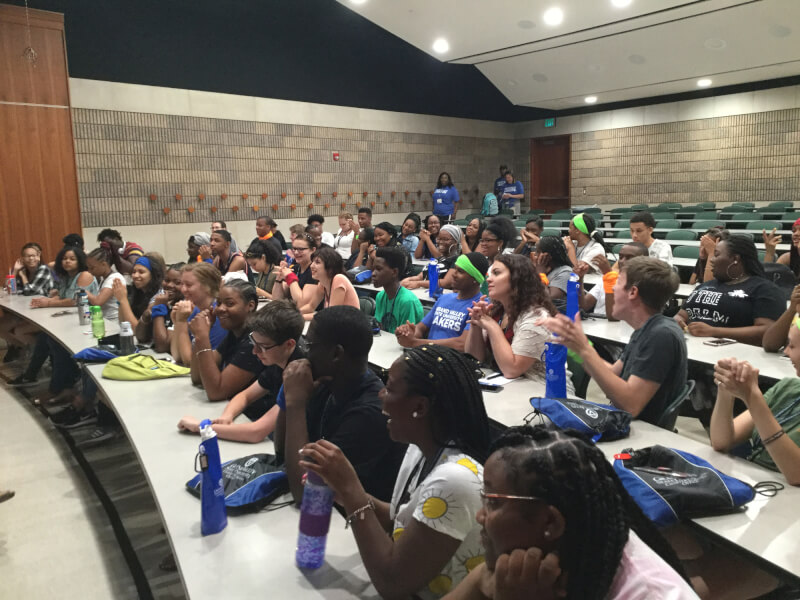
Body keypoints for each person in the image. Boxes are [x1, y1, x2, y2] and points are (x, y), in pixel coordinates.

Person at [299, 345, 491, 600]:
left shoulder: (455, 480)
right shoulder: (419, 450)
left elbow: (392, 583)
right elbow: (398, 522)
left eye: (389, 388)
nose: (380, 394)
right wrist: (343, 492)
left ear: (420, 407)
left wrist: (351, 490)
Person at [445, 425, 697, 600]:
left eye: (493, 502)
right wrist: (480, 582)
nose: (480, 516)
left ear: (551, 522)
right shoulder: (558, 554)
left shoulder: (648, 594)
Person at [278, 306, 406, 502]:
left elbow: (305, 493)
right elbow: (282, 457)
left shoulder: (370, 413)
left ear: (336, 354)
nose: (304, 352)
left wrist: (294, 403)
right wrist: (287, 394)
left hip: (348, 523)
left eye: (309, 344)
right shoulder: (326, 382)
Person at [541, 257, 687, 425]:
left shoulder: (661, 336)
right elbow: (612, 373)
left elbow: (631, 405)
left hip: (641, 436)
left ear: (633, 292)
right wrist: (577, 347)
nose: (612, 289)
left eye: (617, 282)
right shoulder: (646, 329)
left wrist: (584, 349)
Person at [177, 300, 305, 441]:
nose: (255, 352)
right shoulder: (278, 359)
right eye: (253, 342)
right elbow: (245, 396)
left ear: (289, 344)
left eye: (262, 347)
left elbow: (257, 432)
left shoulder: (300, 373)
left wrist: (200, 427)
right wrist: (227, 416)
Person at [711, 323, 800, 484]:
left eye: (792, 346)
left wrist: (752, 397)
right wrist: (726, 390)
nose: (786, 352)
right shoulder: (787, 388)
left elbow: (796, 474)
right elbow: (721, 441)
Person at [12, 246, 99, 395]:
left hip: (88, 320)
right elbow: (62, 295)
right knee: (45, 338)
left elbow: (74, 300)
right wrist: (49, 299)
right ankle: (47, 380)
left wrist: (49, 303)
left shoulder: (84, 275)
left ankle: (58, 385)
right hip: (71, 318)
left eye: (72, 259)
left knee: (52, 340)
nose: (67, 262)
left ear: (80, 261)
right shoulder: (66, 276)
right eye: (64, 259)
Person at [676, 235, 785, 346]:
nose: (712, 260)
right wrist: (677, 321)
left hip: (732, 357)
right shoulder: (706, 286)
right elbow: (681, 315)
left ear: (735, 259)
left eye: (716, 255)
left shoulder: (764, 289)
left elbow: (767, 331)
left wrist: (714, 331)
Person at [465, 254, 559, 384]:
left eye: (496, 273)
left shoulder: (537, 318)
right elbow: (475, 359)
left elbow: (512, 370)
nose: (488, 279)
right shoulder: (498, 310)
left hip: (542, 389)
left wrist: (492, 327)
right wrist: (476, 324)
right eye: (490, 274)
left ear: (517, 279)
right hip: (507, 385)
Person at [396, 252, 488, 351]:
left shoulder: (480, 305)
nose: (453, 274)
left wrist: (416, 343)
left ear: (475, 279)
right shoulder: (445, 298)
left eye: (460, 271)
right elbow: (421, 327)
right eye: (455, 269)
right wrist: (408, 333)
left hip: (454, 361)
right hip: (429, 354)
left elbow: (463, 344)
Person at [188, 279, 261, 402]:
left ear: (250, 306)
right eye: (219, 302)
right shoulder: (234, 334)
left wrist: (203, 337)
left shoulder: (255, 341)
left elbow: (216, 392)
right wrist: (199, 337)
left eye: (229, 304)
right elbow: (197, 377)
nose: (220, 308)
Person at [0, 244, 54, 363]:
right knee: (1, 326)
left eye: (33, 256)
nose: (31, 259)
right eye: (27, 256)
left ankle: (43, 352)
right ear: (22, 258)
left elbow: (30, 291)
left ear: (38, 256)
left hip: (44, 313)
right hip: (27, 311)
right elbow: (9, 290)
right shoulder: (22, 270)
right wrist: (14, 271)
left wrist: (23, 277)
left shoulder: (43, 269)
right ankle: (24, 349)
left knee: (19, 331)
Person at [171, 262, 225, 365]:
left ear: (208, 286)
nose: (183, 289)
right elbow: (177, 356)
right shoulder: (194, 310)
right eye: (182, 284)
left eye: (189, 285)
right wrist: (177, 322)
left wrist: (182, 322)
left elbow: (190, 361)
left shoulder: (217, 314)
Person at [578, 242, 648, 319]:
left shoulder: (644, 285)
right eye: (621, 257)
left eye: (629, 258)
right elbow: (584, 305)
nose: (622, 261)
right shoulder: (607, 278)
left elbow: (614, 316)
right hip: (596, 327)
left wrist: (609, 276)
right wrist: (580, 278)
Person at [296, 246, 359, 319]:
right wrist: (294, 314)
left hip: (351, 327)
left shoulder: (339, 279)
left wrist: (298, 318)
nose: (312, 266)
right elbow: (311, 306)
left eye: (317, 262)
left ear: (330, 267)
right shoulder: (322, 284)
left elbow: (331, 315)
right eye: (312, 262)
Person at [135, 262, 184, 352]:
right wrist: (146, 315)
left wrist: (159, 309)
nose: (169, 285)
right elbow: (141, 338)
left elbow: (162, 347)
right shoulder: (166, 302)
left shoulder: (182, 308)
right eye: (167, 280)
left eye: (177, 282)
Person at [372, 247, 423, 334]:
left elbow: (407, 337)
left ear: (394, 272)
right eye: (373, 269)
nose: (373, 273)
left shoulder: (407, 301)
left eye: (379, 269)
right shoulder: (380, 296)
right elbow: (379, 328)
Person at [111, 254, 165, 330]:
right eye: (134, 272)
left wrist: (123, 300)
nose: (135, 275)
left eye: (141, 272)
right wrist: (120, 300)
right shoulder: (139, 292)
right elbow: (123, 322)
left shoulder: (159, 297)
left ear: (153, 275)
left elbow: (137, 330)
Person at [402, 224, 462, 290]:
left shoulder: (458, 259)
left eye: (446, 239)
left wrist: (418, 283)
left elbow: (446, 283)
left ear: (456, 241)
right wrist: (408, 280)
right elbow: (420, 277)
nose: (441, 242)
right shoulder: (438, 259)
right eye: (439, 239)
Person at [531, 236, 574, 312]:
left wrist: (541, 274)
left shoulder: (566, 272)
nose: (535, 254)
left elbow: (549, 298)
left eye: (537, 251)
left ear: (547, 256)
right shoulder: (542, 269)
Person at [85, 246, 126, 321]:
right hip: (105, 320)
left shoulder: (114, 279)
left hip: (114, 324)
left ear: (104, 264)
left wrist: (84, 292)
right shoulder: (104, 278)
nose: (89, 271)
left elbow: (98, 302)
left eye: (92, 268)